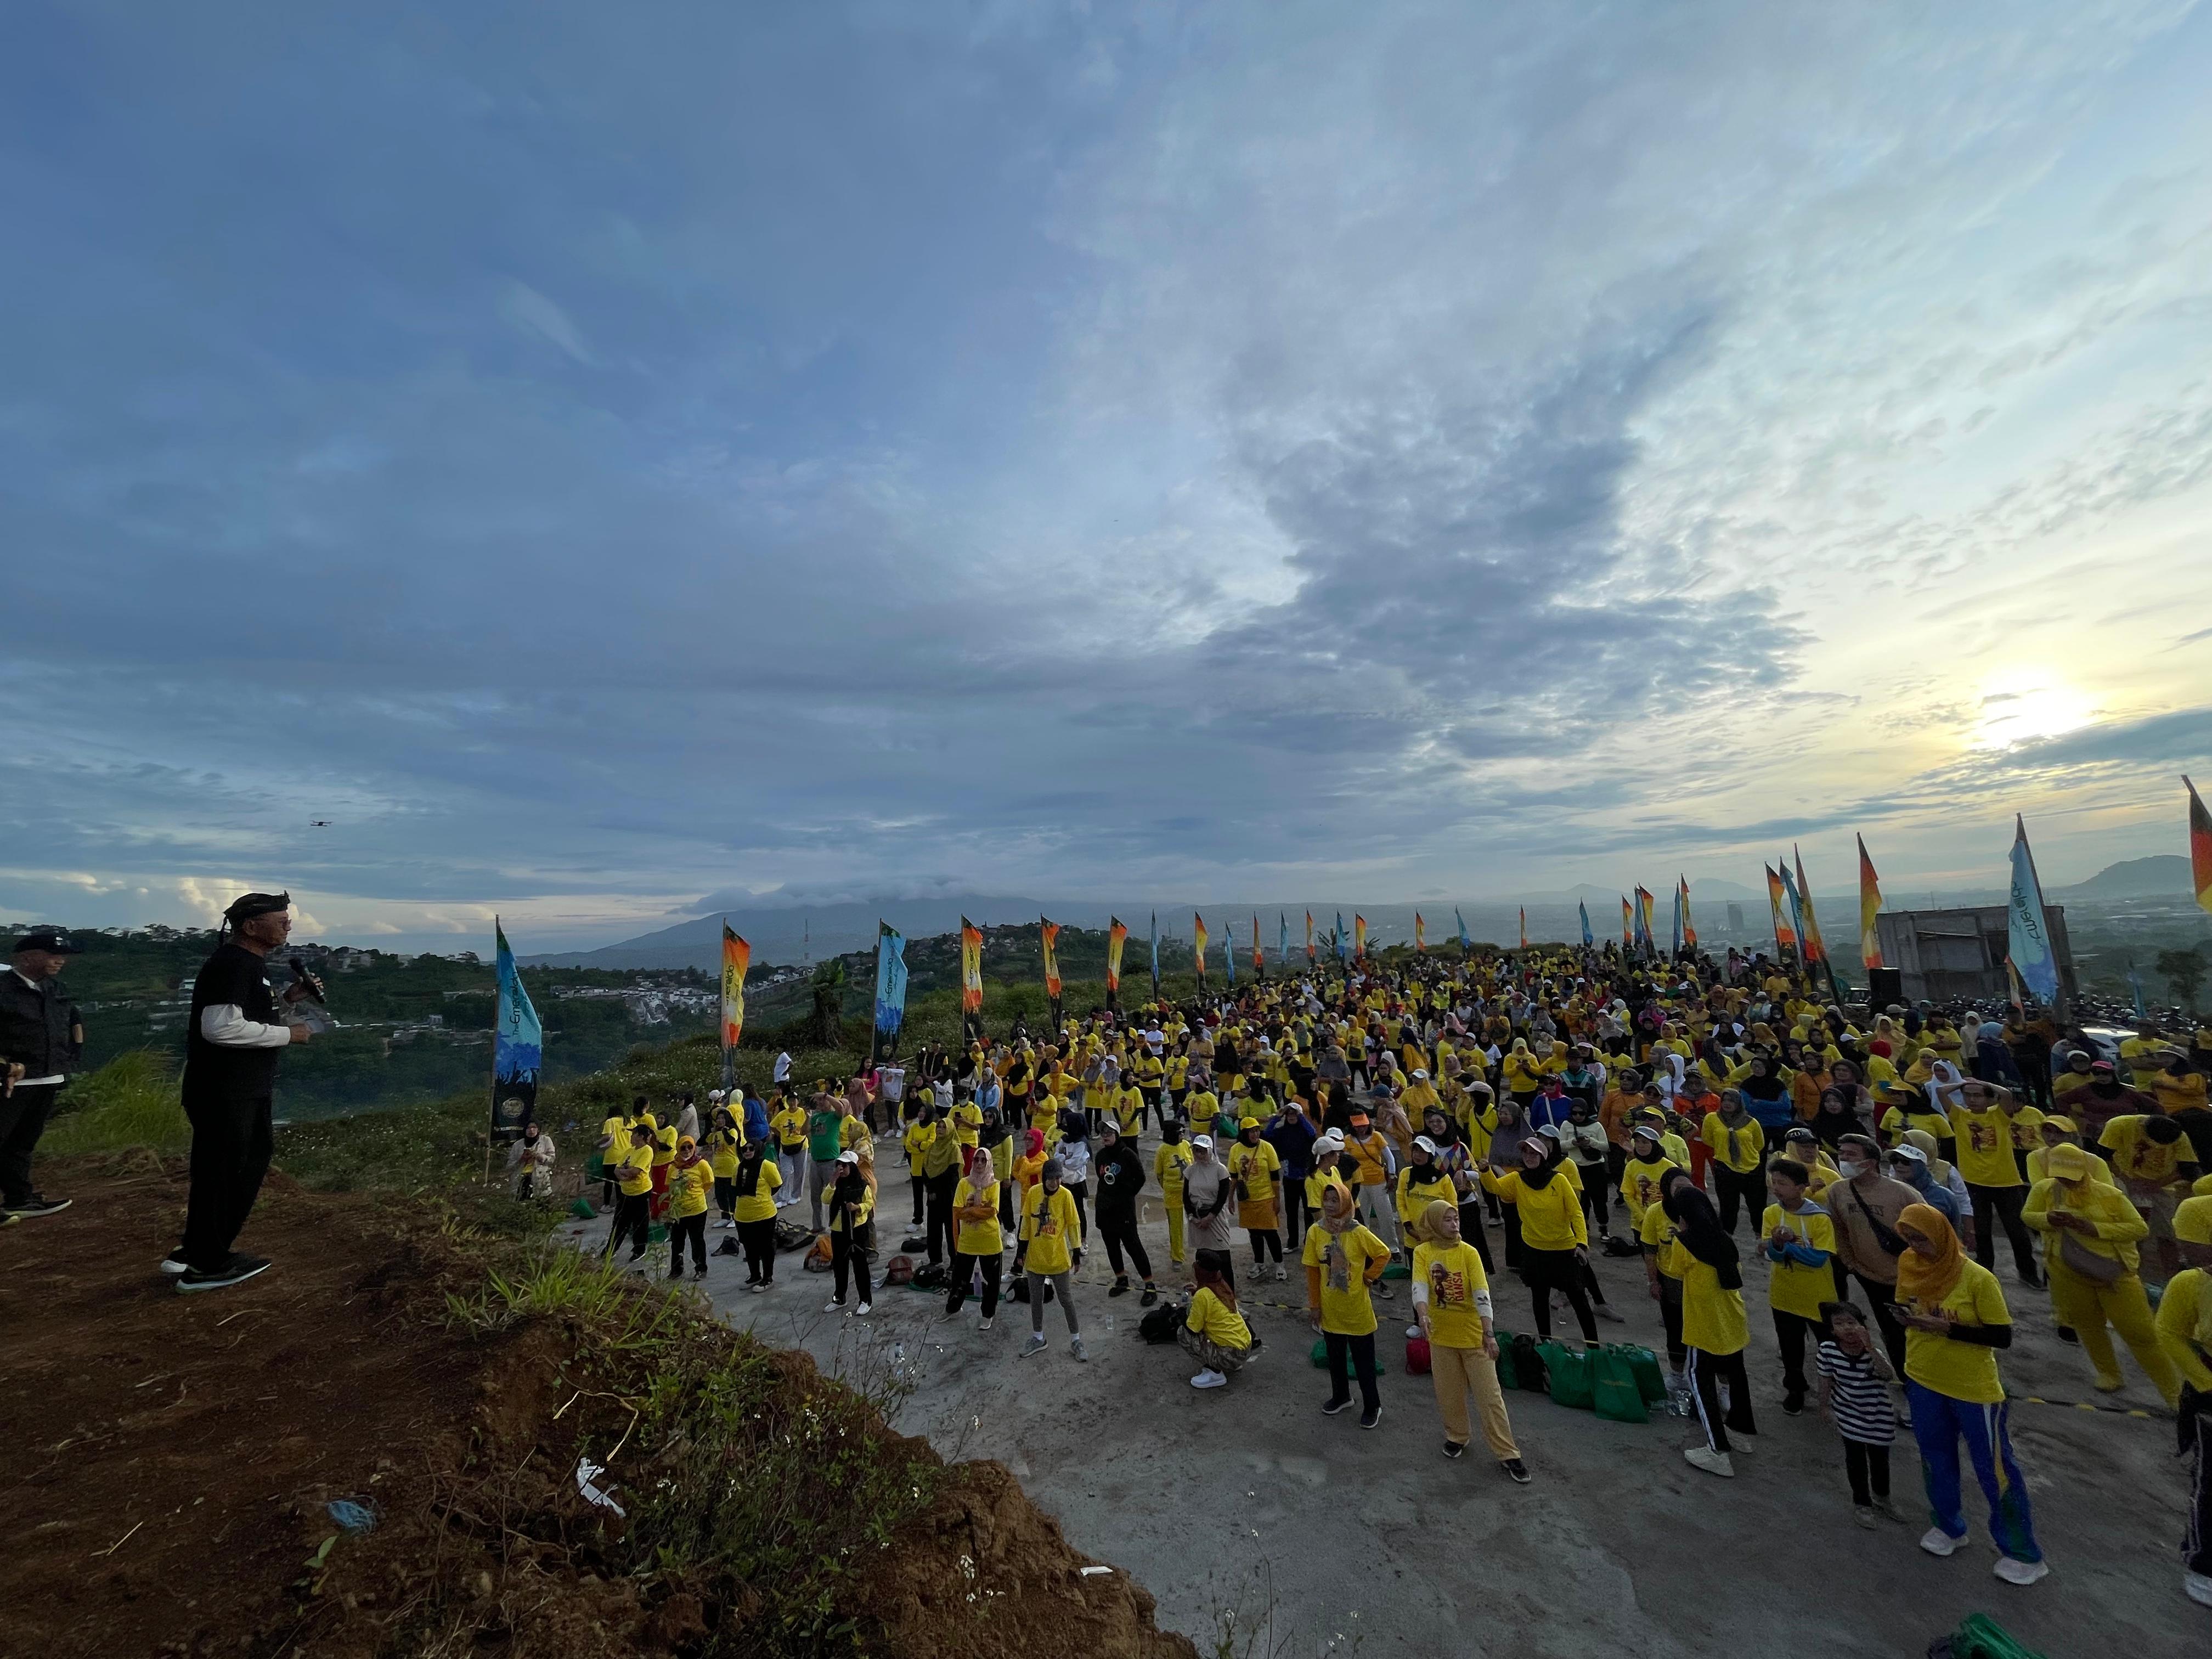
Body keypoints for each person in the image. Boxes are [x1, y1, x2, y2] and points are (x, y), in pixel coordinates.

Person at [1894, 1203, 2047, 1584]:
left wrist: (1946, 1330)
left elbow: (2002, 1337)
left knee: (1994, 1469)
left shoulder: (1978, 1278)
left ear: (1943, 1235)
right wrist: (1908, 1319)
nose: (1916, 1246)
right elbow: (1906, 1305)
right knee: (1935, 1457)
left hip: (1973, 1389)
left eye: (1922, 1238)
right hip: (1923, 1376)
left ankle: (2022, 1552)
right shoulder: (1908, 1265)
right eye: (1909, 1238)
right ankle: (1949, 1526)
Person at [173, 894, 318, 1292]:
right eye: (281, 920)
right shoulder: (234, 964)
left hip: (236, 1088)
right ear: (251, 927)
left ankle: (197, 1248)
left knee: (221, 1170)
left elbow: (246, 1019)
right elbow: (219, 1028)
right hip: (227, 1090)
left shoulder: (250, 966)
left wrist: (288, 1002)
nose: (288, 926)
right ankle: (207, 1263)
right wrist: (289, 1034)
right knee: (230, 1171)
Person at [2023, 1142, 2180, 1406]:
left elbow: (2138, 1229)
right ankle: (2109, 1373)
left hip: (2114, 1274)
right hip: (2067, 1271)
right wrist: (2049, 1219)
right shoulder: (2044, 1189)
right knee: (2088, 1326)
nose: (2065, 1182)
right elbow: (2028, 1216)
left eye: (2070, 1177)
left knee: (2140, 1333)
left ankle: (2174, 1392)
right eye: (2060, 1175)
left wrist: (2094, 1229)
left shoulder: (2110, 1194)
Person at [1412, 1200, 1529, 1482]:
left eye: (1456, 1219)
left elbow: (1481, 1293)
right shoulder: (1422, 1252)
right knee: (1448, 1393)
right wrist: (1423, 1315)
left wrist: (1488, 1333)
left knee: (1490, 1398)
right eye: (1448, 1220)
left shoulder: (1469, 1253)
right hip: (1441, 1337)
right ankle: (1457, 1435)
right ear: (1434, 1223)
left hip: (1474, 1337)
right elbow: (1420, 1287)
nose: (1454, 1225)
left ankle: (1507, 1452)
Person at [1671, 1175, 1755, 1477]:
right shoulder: (1726, 1240)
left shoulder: (1685, 1244)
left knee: (1700, 1381)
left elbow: (1674, 1272)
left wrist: (1677, 1236)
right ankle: (1741, 1434)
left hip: (1703, 1327)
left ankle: (1717, 1450)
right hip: (1733, 1321)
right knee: (1737, 1376)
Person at [1482, 1136, 1599, 1348]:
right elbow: (1496, 1189)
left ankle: (1594, 1348)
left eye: (1534, 1153)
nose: (1529, 1157)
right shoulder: (1518, 1180)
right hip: (1534, 1251)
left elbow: (1576, 1213)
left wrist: (1582, 1244)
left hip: (1564, 1250)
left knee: (1580, 1301)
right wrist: (1484, 1171)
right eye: (1526, 1153)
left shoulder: (1559, 1180)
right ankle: (1547, 1345)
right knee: (1539, 1300)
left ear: (1543, 1156)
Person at [0, 928, 84, 1218]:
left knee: (22, 1144)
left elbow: (71, 1026)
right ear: (25, 957)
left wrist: (69, 1059)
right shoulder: (3, 990)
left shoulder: (55, 989)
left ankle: (18, 1199)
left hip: (48, 1077)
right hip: (10, 1081)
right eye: (52, 955)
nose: (59, 960)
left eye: (62, 955)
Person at [2154, 1195, 2212, 1607]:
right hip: (2211, 1394)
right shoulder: (2190, 1283)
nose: (2184, 1248)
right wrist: (2206, 1383)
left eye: (2191, 1239)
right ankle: (2203, 1563)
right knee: (2210, 1484)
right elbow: (2169, 1333)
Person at [1827, 1133, 1922, 1374]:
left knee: (1918, 1331)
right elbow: (1839, 1229)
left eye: (1851, 1155)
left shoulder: (1902, 1193)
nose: (1844, 1159)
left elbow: (1928, 1232)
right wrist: (1851, 1263)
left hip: (1908, 1278)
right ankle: (1904, 1377)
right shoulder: (1838, 1192)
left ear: (1869, 1162)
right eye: (1842, 1154)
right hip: (1869, 1277)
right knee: (1890, 1332)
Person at [1302, 1181, 1390, 1429]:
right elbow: (1312, 1269)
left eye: (1335, 1201)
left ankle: (1373, 1405)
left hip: (1357, 1309)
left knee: (1364, 1363)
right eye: (1327, 1200)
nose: (1330, 1206)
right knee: (1336, 1357)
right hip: (1330, 1309)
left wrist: (1369, 1276)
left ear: (1345, 1203)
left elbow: (1383, 1253)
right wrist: (1314, 1305)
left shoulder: (1358, 1232)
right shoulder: (1316, 1232)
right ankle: (1342, 1396)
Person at [1815, 1301, 1906, 1530]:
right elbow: (1825, 1380)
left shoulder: (1873, 1353)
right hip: (1848, 1413)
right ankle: (1862, 1503)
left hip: (1878, 1415)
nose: (1847, 1328)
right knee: (1855, 1460)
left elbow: (1887, 1375)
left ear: (1862, 1326)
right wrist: (1824, 1406)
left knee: (1880, 1461)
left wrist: (1870, 1347)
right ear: (1832, 1330)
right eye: (1839, 1324)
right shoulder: (1827, 1350)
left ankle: (1882, 1497)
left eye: (1851, 1323)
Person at [1948, 1081, 2042, 1287]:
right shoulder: (1960, 1116)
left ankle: (2028, 1272)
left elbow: (2006, 1094)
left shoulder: (1998, 1116)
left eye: (1978, 1095)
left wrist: (1982, 1083)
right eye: (1969, 1095)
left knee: (2016, 1231)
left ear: (1989, 1098)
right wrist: (1963, 1083)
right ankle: (1985, 1272)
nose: (1973, 1099)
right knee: (1982, 1231)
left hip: (2005, 1182)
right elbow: (1939, 1091)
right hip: (1974, 1182)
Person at [1763, 1157, 1837, 1415]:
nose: (1777, 1188)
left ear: (1801, 1187)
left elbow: (1819, 1259)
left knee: (1829, 1346)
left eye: (1783, 1183)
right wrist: (1777, 1246)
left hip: (1819, 1295)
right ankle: (1796, 1389)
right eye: (1775, 1183)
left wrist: (1786, 1247)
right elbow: (1772, 1255)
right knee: (1790, 1347)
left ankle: (1836, 1390)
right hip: (1784, 1294)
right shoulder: (1772, 1214)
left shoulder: (1819, 1218)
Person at [1018, 1158, 1087, 1361]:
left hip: (1058, 1258)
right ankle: (1038, 1337)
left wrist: (1077, 1253)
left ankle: (1076, 1340)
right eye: (1051, 1178)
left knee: (1066, 1299)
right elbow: (1026, 1222)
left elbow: (1074, 1225)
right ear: (1044, 1177)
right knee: (1036, 1299)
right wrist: (1021, 1250)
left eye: (1058, 1178)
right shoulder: (1033, 1193)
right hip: (1036, 1258)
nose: (1055, 1183)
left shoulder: (1066, 1196)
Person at [1093, 1120, 1158, 1305]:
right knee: (1112, 1246)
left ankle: (1149, 1285)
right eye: (1103, 1133)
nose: (1105, 1136)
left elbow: (1141, 1178)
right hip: (1105, 1210)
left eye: (1109, 1133)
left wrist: (1126, 1194)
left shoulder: (1128, 1155)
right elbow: (1101, 1179)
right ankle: (1121, 1279)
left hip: (1123, 1211)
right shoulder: (1101, 1156)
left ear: (1117, 1134)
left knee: (1133, 1247)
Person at [945, 1146, 1005, 1329]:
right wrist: (975, 1211)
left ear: (989, 1163)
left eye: (983, 1160)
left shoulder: (995, 1184)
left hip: (990, 1240)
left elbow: (992, 1210)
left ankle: (988, 1314)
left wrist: (969, 1210)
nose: (979, 1163)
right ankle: (953, 1309)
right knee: (960, 1278)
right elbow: (957, 1211)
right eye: (976, 1160)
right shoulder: (964, 1183)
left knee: (992, 1280)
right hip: (968, 1241)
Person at [1181, 1256, 1256, 1390]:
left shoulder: (1202, 1295)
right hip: (1245, 1347)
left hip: (1230, 1355)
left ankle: (1215, 1372)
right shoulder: (1222, 1285)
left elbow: (1193, 1328)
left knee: (1183, 1333)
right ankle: (1231, 1363)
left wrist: (1189, 1308)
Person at [1702, 1090, 1767, 1237]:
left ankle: (1761, 1234)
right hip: (1725, 1168)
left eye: (1732, 1101)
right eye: (1725, 1100)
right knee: (1728, 1206)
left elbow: (1759, 1144)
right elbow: (1707, 1139)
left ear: (1739, 1103)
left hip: (1751, 1169)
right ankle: (1727, 1237)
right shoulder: (1712, 1119)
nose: (1727, 1104)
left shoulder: (1751, 1122)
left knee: (1757, 1206)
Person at [1229, 1115, 1286, 1280]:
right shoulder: (1236, 1150)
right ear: (1244, 1133)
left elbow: (1275, 1176)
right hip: (1247, 1200)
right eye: (1252, 1132)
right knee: (1254, 1234)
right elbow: (1233, 1176)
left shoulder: (1267, 1148)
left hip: (1266, 1198)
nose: (1255, 1135)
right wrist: (1230, 1198)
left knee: (1270, 1233)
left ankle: (1279, 1265)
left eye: (1257, 1131)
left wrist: (1277, 1199)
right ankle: (1259, 1263)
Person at [824, 1148, 876, 1316]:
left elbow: (869, 1204)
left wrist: (857, 1207)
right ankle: (840, 1298)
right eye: (839, 1165)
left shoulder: (862, 1185)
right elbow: (825, 1199)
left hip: (857, 1231)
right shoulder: (836, 1184)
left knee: (860, 1267)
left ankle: (865, 1300)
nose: (841, 1169)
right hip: (838, 1231)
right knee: (839, 1266)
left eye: (845, 1166)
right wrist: (832, 1182)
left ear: (852, 1168)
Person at [731, 1135, 782, 1291]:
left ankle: (768, 1278)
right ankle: (755, 1276)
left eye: (751, 1148)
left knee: (765, 1247)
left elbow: (777, 1185)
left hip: (764, 1215)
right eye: (744, 1149)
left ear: (758, 1149)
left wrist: (762, 1198)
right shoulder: (737, 1167)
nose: (747, 1152)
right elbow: (735, 1188)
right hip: (742, 1216)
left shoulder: (767, 1166)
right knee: (749, 1247)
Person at [602, 1115, 654, 1263]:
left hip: (641, 1192)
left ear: (641, 1137)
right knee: (619, 1222)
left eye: (634, 1134)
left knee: (640, 1223)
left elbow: (636, 1172)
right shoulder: (629, 1151)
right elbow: (616, 1170)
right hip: (626, 1192)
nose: (631, 1137)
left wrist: (625, 1173)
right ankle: (610, 1250)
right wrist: (623, 1174)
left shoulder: (647, 1151)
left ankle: (639, 1250)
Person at [666, 1135, 712, 1279]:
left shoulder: (701, 1164)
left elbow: (708, 1182)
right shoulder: (673, 1167)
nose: (687, 1151)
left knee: (697, 1240)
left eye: (690, 1147)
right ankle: (676, 1269)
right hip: (678, 1211)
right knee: (677, 1242)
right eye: (683, 1148)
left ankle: (700, 1268)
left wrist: (696, 1194)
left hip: (697, 1210)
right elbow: (669, 1187)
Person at [1153, 1117, 1194, 1272]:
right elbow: (1159, 1174)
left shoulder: (1186, 1145)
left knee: (1197, 1222)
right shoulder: (1162, 1150)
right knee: (1176, 1228)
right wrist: (1168, 1188)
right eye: (1180, 1133)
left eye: (1184, 1132)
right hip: (1173, 1195)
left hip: (1191, 1192)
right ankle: (1177, 1257)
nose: (1183, 1135)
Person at [506, 1119, 556, 1203]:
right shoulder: (518, 1145)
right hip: (522, 1179)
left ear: (538, 1129)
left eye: (534, 1127)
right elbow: (509, 1166)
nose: (531, 1130)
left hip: (540, 1178)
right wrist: (522, 1159)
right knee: (523, 1204)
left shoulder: (546, 1140)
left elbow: (551, 1159)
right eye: (529, 1128)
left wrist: (538, 1156)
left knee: (542, 1203)